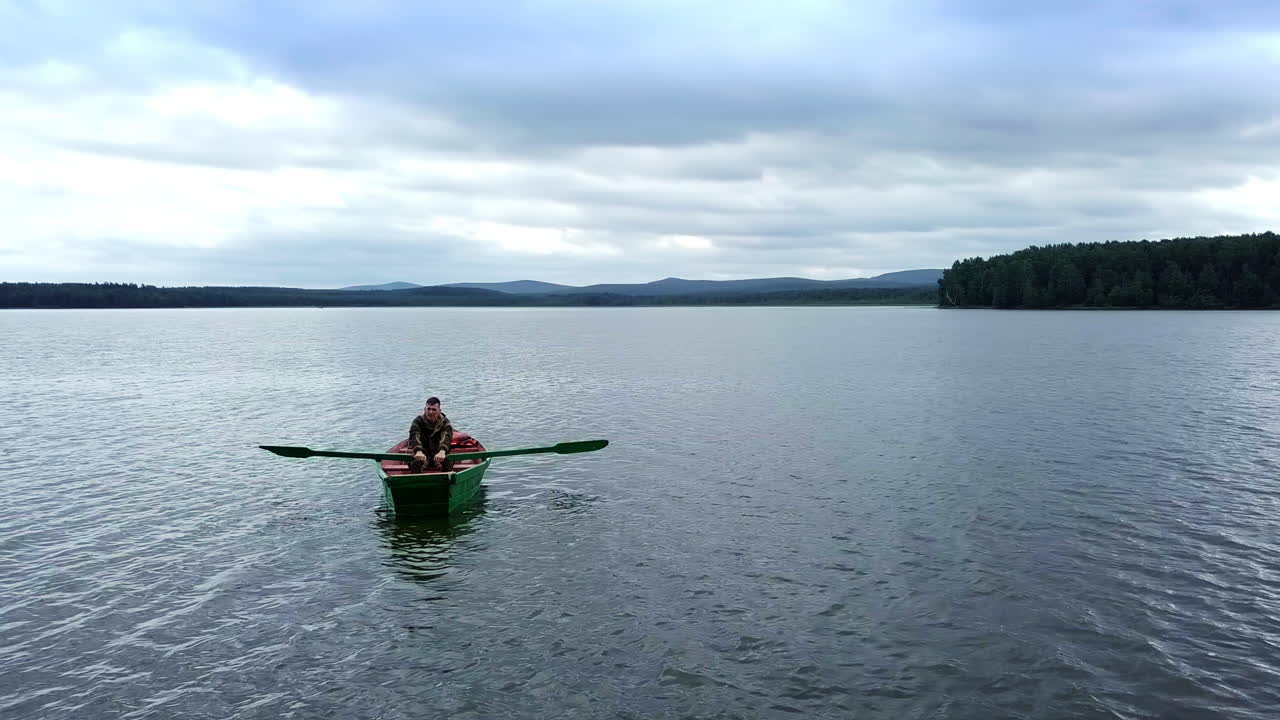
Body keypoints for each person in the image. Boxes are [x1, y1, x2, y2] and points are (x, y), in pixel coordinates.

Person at [407, 396, 453, 473]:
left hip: (438, 452)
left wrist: (442, 451)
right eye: (428, 409)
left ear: (439, 411)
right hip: (423, 452)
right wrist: (418, 451)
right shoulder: (418, 421)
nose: (430, 412)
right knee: (415, 463)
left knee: (448, 462)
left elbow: (446, 437)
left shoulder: (445, 423)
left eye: (434, 409)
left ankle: (446, 482)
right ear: (425, 409)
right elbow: (414, 436)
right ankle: (416, 482)